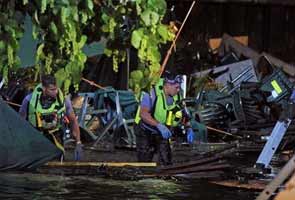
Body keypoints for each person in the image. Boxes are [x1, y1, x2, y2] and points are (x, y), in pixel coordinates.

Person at [134, 71, 196, 166]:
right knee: (145, 163)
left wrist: (188, 127)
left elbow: (183, 113)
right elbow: (143, 114)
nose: (179, 90)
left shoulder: (177, 95)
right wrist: (158, 125)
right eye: (176, 87)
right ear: (167, 85)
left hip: (162, 131)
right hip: (145, 130)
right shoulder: (151, 92)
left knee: (166, 161)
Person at [19, 74, 83, 161]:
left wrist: (78, 143)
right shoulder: (29, 100)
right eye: (52, 90)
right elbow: (20, 122)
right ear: (44, 88)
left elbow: (73, 120)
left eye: (56, 89)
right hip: (35, 136)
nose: (55, 92)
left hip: (56, 135)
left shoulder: (64, 100)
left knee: (58, 159)